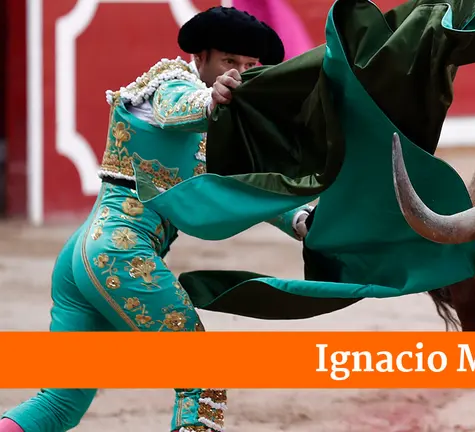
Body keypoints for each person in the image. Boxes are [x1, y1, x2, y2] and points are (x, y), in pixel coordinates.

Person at [0, 6, 311, 432]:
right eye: (228, 61)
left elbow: (243, 183)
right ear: (201, 57)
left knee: (59, 403)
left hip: (88, 256)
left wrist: (300, 219)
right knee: (202, 376)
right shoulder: (169, 82)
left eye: (248, 66)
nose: (239, 73)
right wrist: (212, 98)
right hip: (119, 253)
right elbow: (176, 109)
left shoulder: (222, 126)